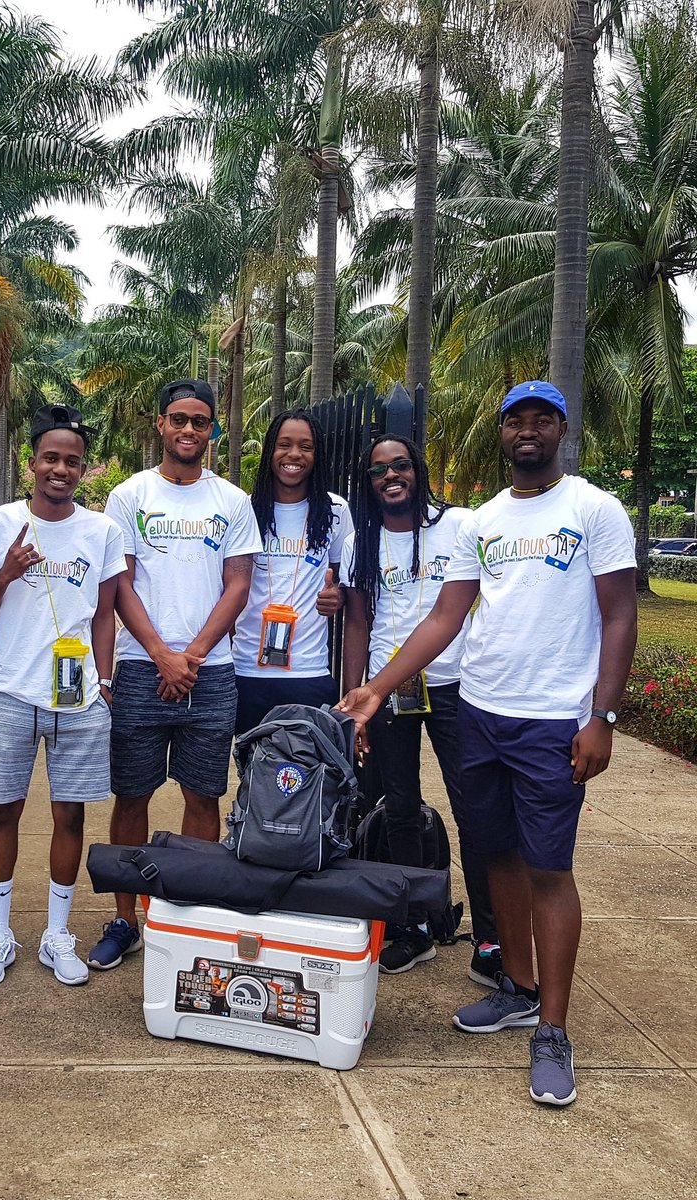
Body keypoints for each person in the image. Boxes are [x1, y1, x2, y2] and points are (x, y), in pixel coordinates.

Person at [337, 381, 637, 1108]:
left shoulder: (593, 508)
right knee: (495, 848)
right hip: (480, 710)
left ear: (561, 429)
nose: (527, 432)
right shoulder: (486, 520)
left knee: (547, 869)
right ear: (503, 434)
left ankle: (553, 1033)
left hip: (553, 719)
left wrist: (602, 716)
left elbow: (620, 614)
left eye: (541, 420)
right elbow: (446, 615)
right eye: (516, 421)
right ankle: (519, 988)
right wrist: (378, 686)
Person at [90, 379, 261, 971]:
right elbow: (120, 585)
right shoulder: (128, 496)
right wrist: (163, 653)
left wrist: (192, 655)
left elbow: (238, 583)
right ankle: (125, 919)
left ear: (211, 430)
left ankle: (193, 915)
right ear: (160, 425)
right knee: (131, 794)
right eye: (179, 419)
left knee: (203, 795)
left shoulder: (233, 502)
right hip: (141, 668)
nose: (190, 430)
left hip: (210, 674)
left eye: (201, 421)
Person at [0, 403, 125, 989]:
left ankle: (58, 934)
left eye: (73, 462)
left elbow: (105, 614)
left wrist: (104, 684)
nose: (61, 469)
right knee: (2, 810)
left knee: (69, 815)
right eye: (51, 458)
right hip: (11, 690)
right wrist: (6, 573)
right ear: (31, 463)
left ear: (83, 470)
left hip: (79, 699)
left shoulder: (102, 530)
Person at [342, 434, 499, 981]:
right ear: (369, 482)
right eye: (379, 470)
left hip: (457, 685)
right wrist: (354, 700)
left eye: (400, 465)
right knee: (401, 808)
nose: (391, 476)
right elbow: (357, 623)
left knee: (474, 812)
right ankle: (416, 927)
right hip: (391, 692)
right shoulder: (361, 541)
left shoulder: (459, 525)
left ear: (418, 469)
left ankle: (490, 938)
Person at [232, 408, 352, 735]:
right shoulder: (245, 510)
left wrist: (337, 595)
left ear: (318, 455)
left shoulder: (336, 511)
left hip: (308, 672)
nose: (294, 454)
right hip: (248, 671)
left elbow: (345, 584)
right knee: (255, 774)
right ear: (270, 450)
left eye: (306, 446)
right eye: (284, 444)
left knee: (308, 776)